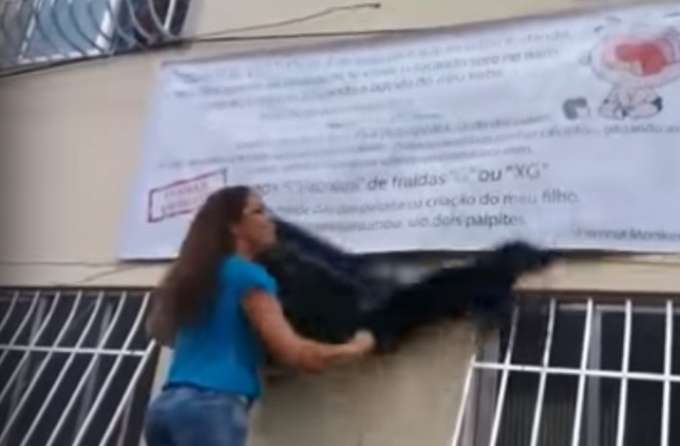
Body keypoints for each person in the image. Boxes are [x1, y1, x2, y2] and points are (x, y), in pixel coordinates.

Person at [143, 185, 375, 446]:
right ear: (234, 227)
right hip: (211, 408)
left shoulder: (195, 275)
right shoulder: (248, 275)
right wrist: (354, 348)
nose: (269, 220)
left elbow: (160, 332)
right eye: (258, 212)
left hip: (165, 408)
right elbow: (295, 353)